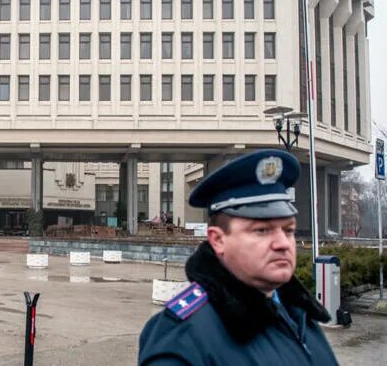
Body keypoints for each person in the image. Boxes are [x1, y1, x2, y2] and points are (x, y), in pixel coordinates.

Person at [138, 149, 338, 365]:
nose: (282, 244)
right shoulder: (182, 340)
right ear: (218, 240)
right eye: (262, 230)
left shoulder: (298, 314)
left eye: (288, 230)